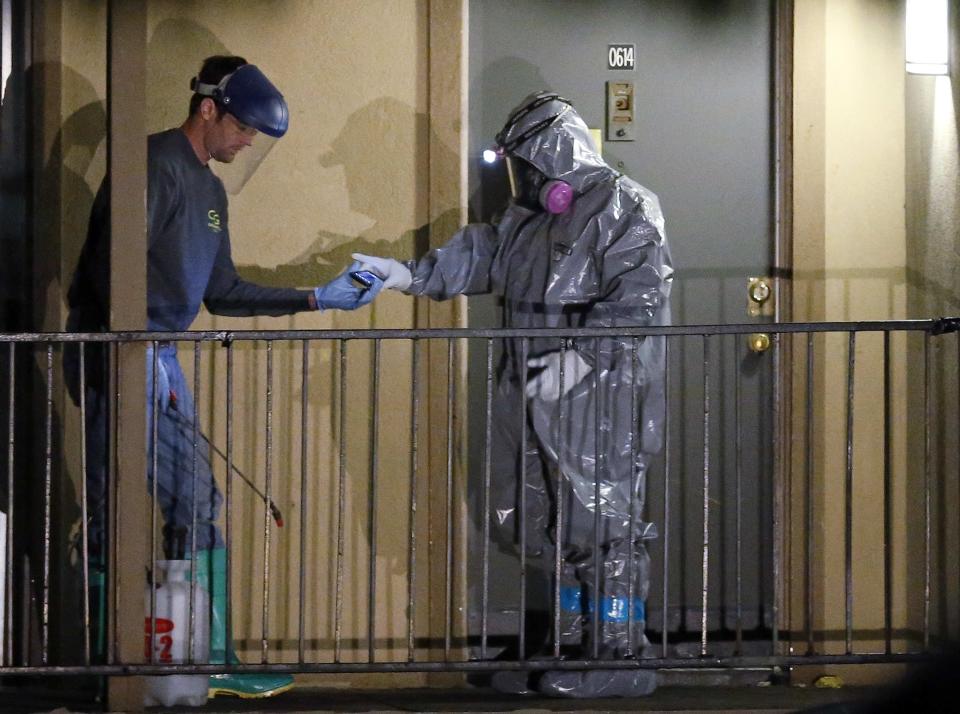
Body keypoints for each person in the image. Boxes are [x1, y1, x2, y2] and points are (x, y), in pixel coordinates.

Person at [64, 55, 383, 699]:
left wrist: (316, 298)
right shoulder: (152, 165)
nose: (246, 143)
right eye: (242, 129)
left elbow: (224, 291)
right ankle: (144, 667)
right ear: (207, 109)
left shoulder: (208, 190)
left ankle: (183, 661)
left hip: (155, 356)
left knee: (173, 503)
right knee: (128, 506)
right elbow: (110, 270)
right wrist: (140, 350)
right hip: (120, 356)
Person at [353, 91, 672, 697]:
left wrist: (580, 358)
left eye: (526, 165)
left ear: (557, 159)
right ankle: (572, 644)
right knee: (547, 519)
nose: (520, 179)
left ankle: (620, 652)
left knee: (602, 521)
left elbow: (641, 300)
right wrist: (407, 274)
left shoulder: (629, 208)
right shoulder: (527, 219)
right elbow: (486, 255)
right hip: (531, 387)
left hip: (598, 401)